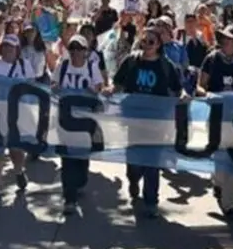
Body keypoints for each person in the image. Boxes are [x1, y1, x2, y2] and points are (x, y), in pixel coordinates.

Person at [105, 24, 183, 218]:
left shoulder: (166, 66)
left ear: (158, 44)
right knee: (135, 160)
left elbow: (177, 89)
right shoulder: (131, 61)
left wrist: (180, 100)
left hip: (156, 122)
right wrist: (109, 91)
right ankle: (133, 179)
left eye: (151, 42)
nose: (147, 45)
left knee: (152, 161)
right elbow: (118, 84)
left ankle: (151, 201)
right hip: (133, 120)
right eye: (144, 41)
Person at [197, 25, 233, 221]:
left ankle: (231, 205)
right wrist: (208, 95)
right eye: (224, 39)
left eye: (231, 40)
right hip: (216, 115)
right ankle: (218, 183)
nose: (227, 43)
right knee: (220, 157)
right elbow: (200, 85)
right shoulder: (211, 59)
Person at [54, 34, 105, 216]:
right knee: (67, 159)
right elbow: (54, 84)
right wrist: (55, 88)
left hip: (85, 120)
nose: (75, 52)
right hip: (66, 119)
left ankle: (80, 181)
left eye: (79, 49)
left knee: (82, 158)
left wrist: (95, 89)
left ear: (86, 52)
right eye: (72, 49)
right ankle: (69, 198)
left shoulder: (91, 67)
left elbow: (100, 86)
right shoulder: (63, 66)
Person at [0, 33, 30, 208]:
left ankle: (19, 171)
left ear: (17, 49)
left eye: (11, 47)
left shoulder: (24, 65)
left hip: (18, 114)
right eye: (5, 46)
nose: (8, 50)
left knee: (16, 150)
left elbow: (33, 87)